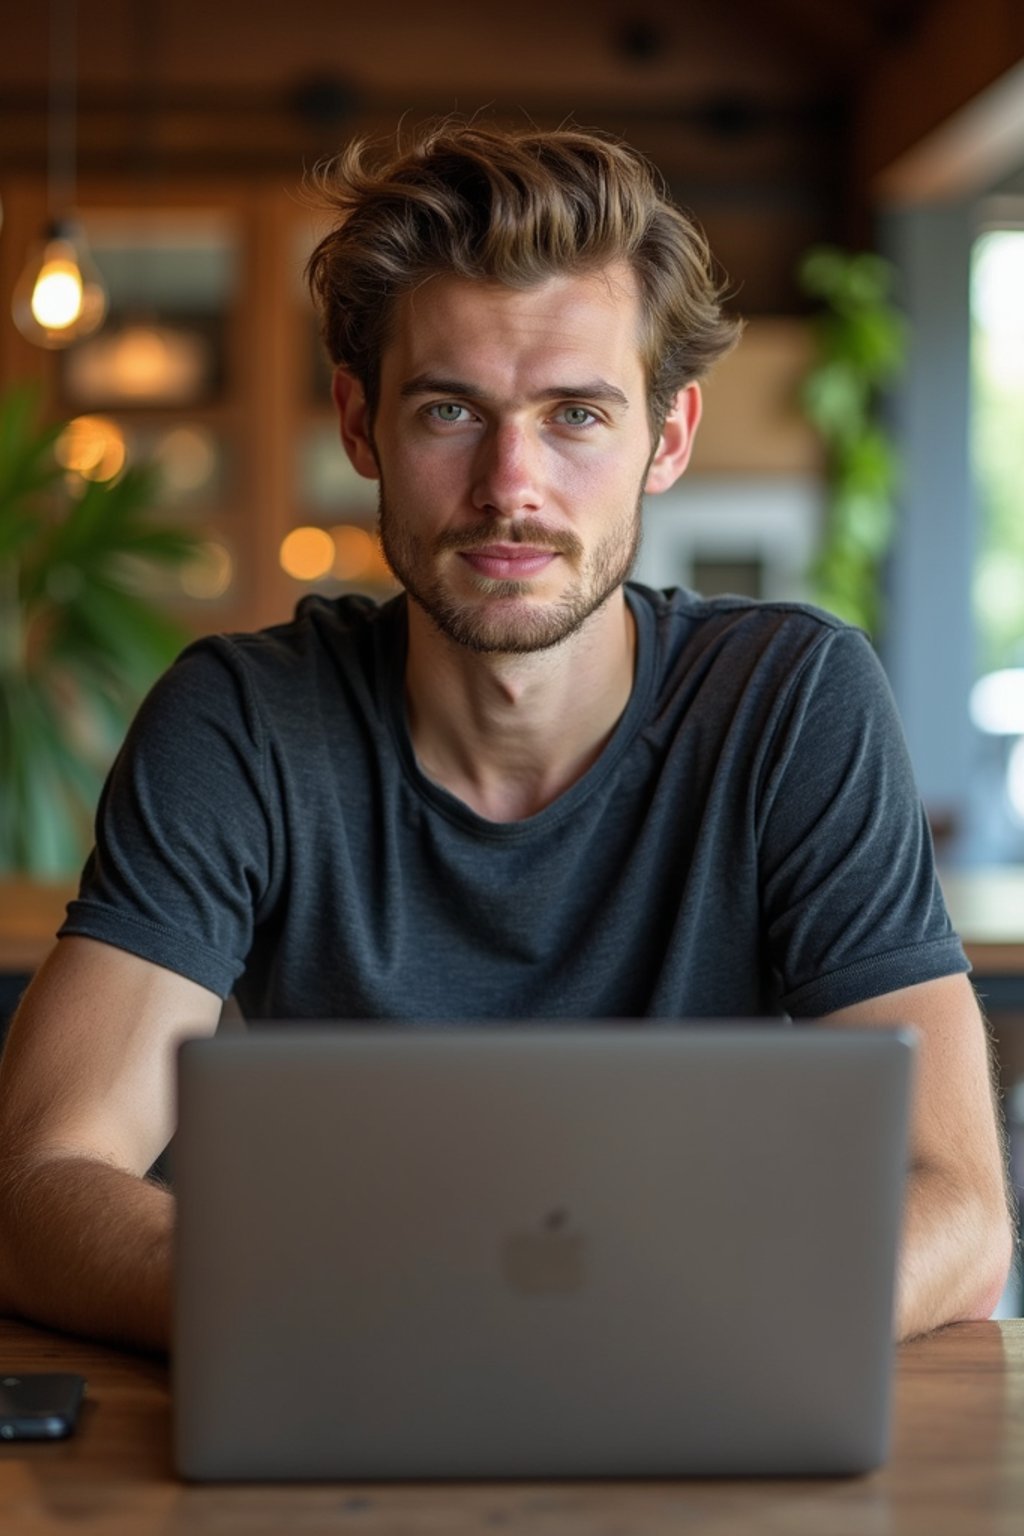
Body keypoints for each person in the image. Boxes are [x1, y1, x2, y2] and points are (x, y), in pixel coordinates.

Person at [0, 121, 1014, 1354]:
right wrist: (322, 1316)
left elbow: (961, 1211)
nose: (509, 485)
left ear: (669, 438)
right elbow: (37, 1184)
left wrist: (662, 1344)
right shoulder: (246, 723)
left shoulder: (790, 702)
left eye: (577, 414)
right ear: (361, 426)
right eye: (448, 411)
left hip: (702, 1391)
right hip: (336, 1384)